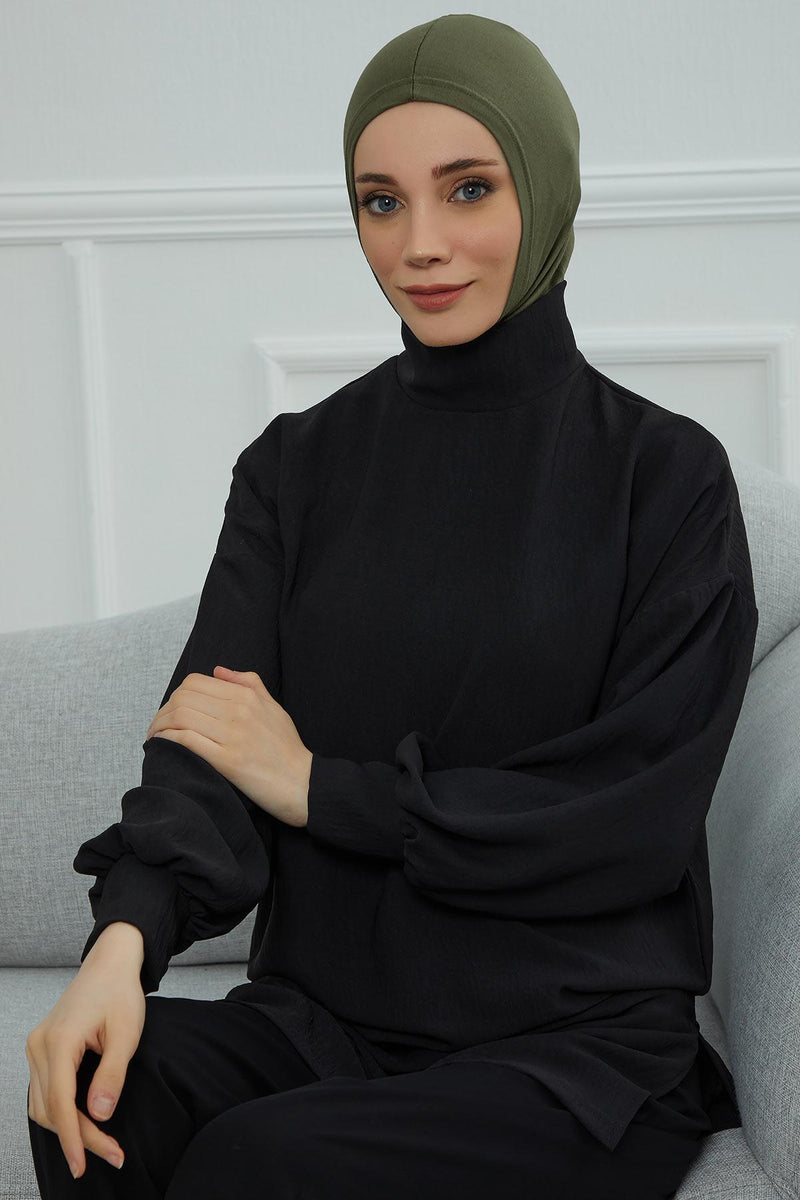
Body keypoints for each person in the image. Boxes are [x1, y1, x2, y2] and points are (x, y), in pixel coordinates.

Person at [26, 13, 759, 1199]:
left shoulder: (663, 478)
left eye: (467, 189)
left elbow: (623, 818)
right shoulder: (294, 468)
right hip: (322, 1023)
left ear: (545, 185)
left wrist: (321, 788)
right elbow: (207, 743)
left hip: (567, 1049)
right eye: (380, 201)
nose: (420, 245)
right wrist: (122, 946)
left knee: (266, 1162)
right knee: (105, 1086)